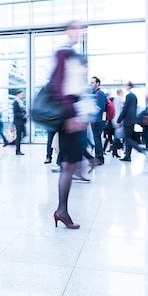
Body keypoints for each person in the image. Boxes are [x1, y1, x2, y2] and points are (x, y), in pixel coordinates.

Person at [48, 21, 89, 230]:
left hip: (74, 112)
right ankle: (61, 210)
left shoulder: (72, 54)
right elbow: (58, 85)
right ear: (67, 31)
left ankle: (62, 210)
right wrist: (71, 115)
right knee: (68, 164)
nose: (78, 33)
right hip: (68, 114)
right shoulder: (63, 53)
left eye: (80, 29)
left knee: (70, 163)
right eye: (74, 29)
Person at [116, 81, 145, 162]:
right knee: (129, 137)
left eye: (126, 85)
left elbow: (125, 109)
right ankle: (128, 155)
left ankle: (139, 149)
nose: (125, 86)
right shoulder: (134, 96)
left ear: (129, 86)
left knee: (128, 138)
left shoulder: (129, 96)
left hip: (128, 120)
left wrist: (119, 120)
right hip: (132, 120)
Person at [89, 76, 106, 164]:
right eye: (91, 82)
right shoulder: (93, 93)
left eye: (93, 82)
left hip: (97, 120)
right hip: (94, 120)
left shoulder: (100, 93)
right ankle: (98, 158)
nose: (91, 84)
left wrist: (95, 118)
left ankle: (99, 158)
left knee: (97, 139)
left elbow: (101, 107)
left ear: (97, 83)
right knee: (96, 139)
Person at [13, 89, 27, 155]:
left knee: (23, 134)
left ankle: (17, 148)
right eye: (21, 95)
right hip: (18, 122)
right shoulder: (16, 102)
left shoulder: (20, 102)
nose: (22, 96)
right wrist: (24, 115)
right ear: (18, 95)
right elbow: (16, 113)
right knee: (19, 136)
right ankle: (17, 150)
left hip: (21, 121)